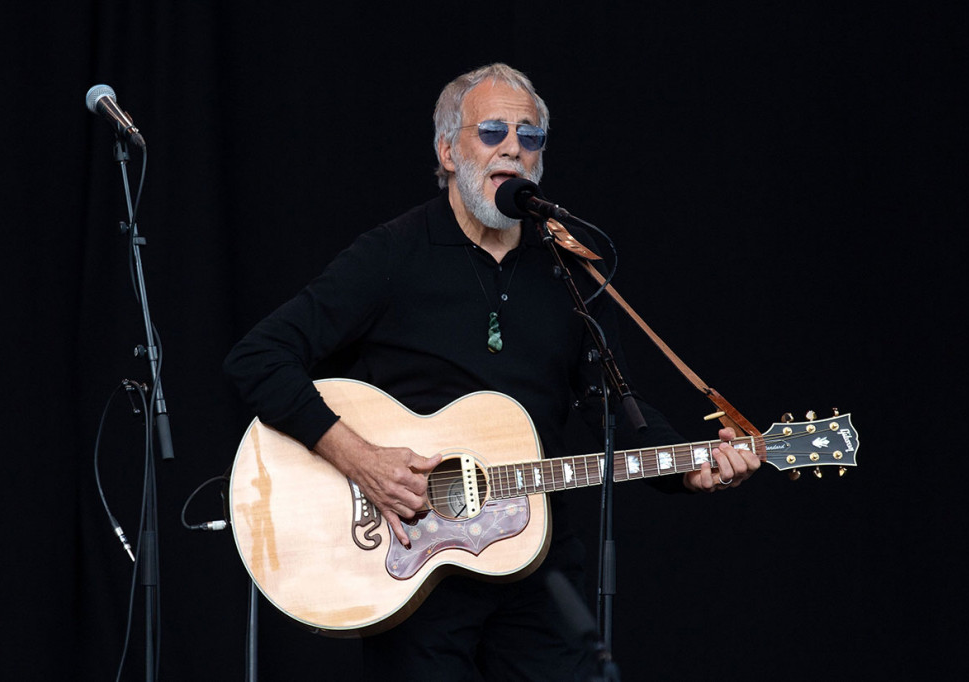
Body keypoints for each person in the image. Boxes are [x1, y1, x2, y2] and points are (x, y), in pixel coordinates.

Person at [224, 63, 760, 680]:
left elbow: (615, 411)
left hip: (536, 566)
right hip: (413, 562)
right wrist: (358, 457)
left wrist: (693, 470)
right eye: (493, 132)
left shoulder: (565, 270)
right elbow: (256, 358)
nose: (514, 147)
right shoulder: (394, 253)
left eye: (529, 137)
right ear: (448, 151)